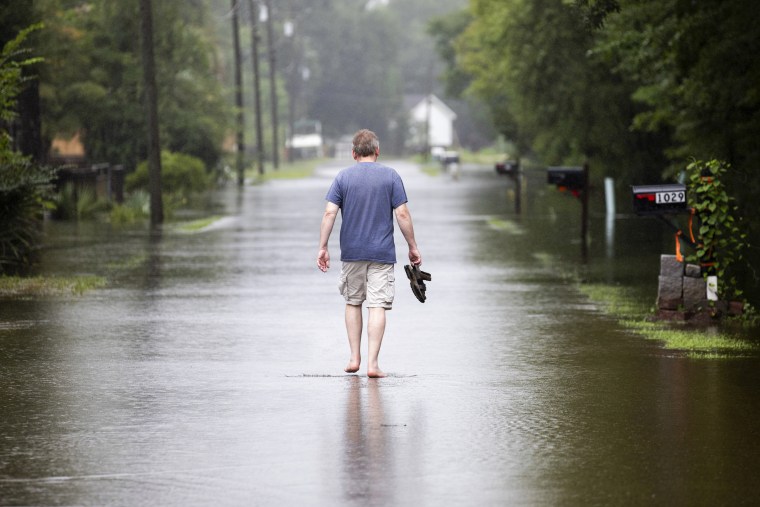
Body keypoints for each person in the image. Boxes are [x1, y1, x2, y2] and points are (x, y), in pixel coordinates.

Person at [317, 129, 422, 378]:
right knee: (377, 306)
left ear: (353, 153)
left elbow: (329, 213)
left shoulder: (342, 177)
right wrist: (413, 246)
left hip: (351, 252)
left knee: (353, 302)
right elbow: (402, 214)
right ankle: (373, 365)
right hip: (382, 253)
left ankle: (354, 358)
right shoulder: (391, 176)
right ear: (377, 151)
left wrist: (323, 246)